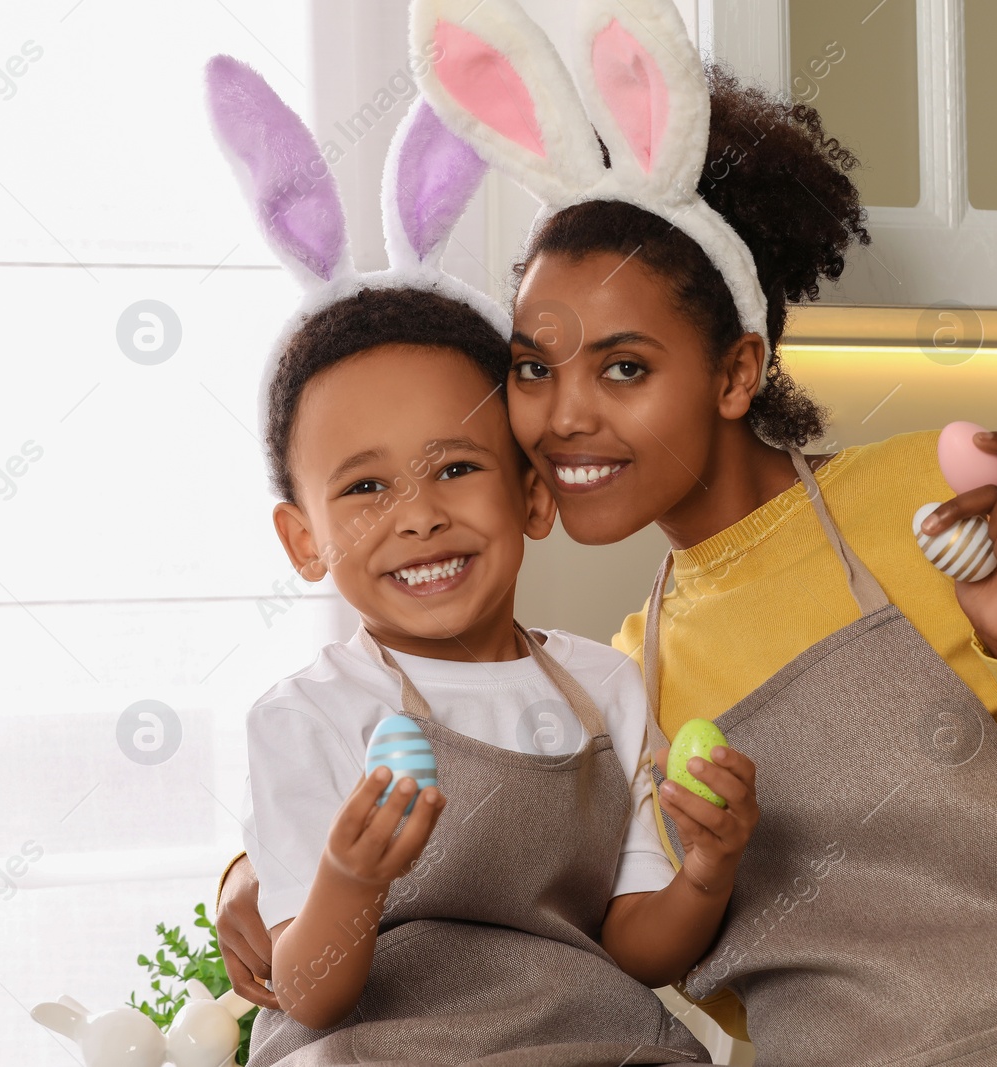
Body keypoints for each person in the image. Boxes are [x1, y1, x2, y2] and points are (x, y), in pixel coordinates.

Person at [218, 2, 997, 1062]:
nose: (565, 413)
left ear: (736, 370)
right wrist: (260, 870)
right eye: (534, 367)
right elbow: (552, 909)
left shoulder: (940, 508)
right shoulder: (628, 677)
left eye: (623, 366)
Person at [206, 54, 753, 1067]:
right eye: (364, 488)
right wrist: (349, 876)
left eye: (456, 467)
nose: (417, 517)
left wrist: (706, 874)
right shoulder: (308, 716)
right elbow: (312, 996)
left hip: (587, 1037)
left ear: (533, 494)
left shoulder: (606, 684)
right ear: (303, 539)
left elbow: (634, 949)